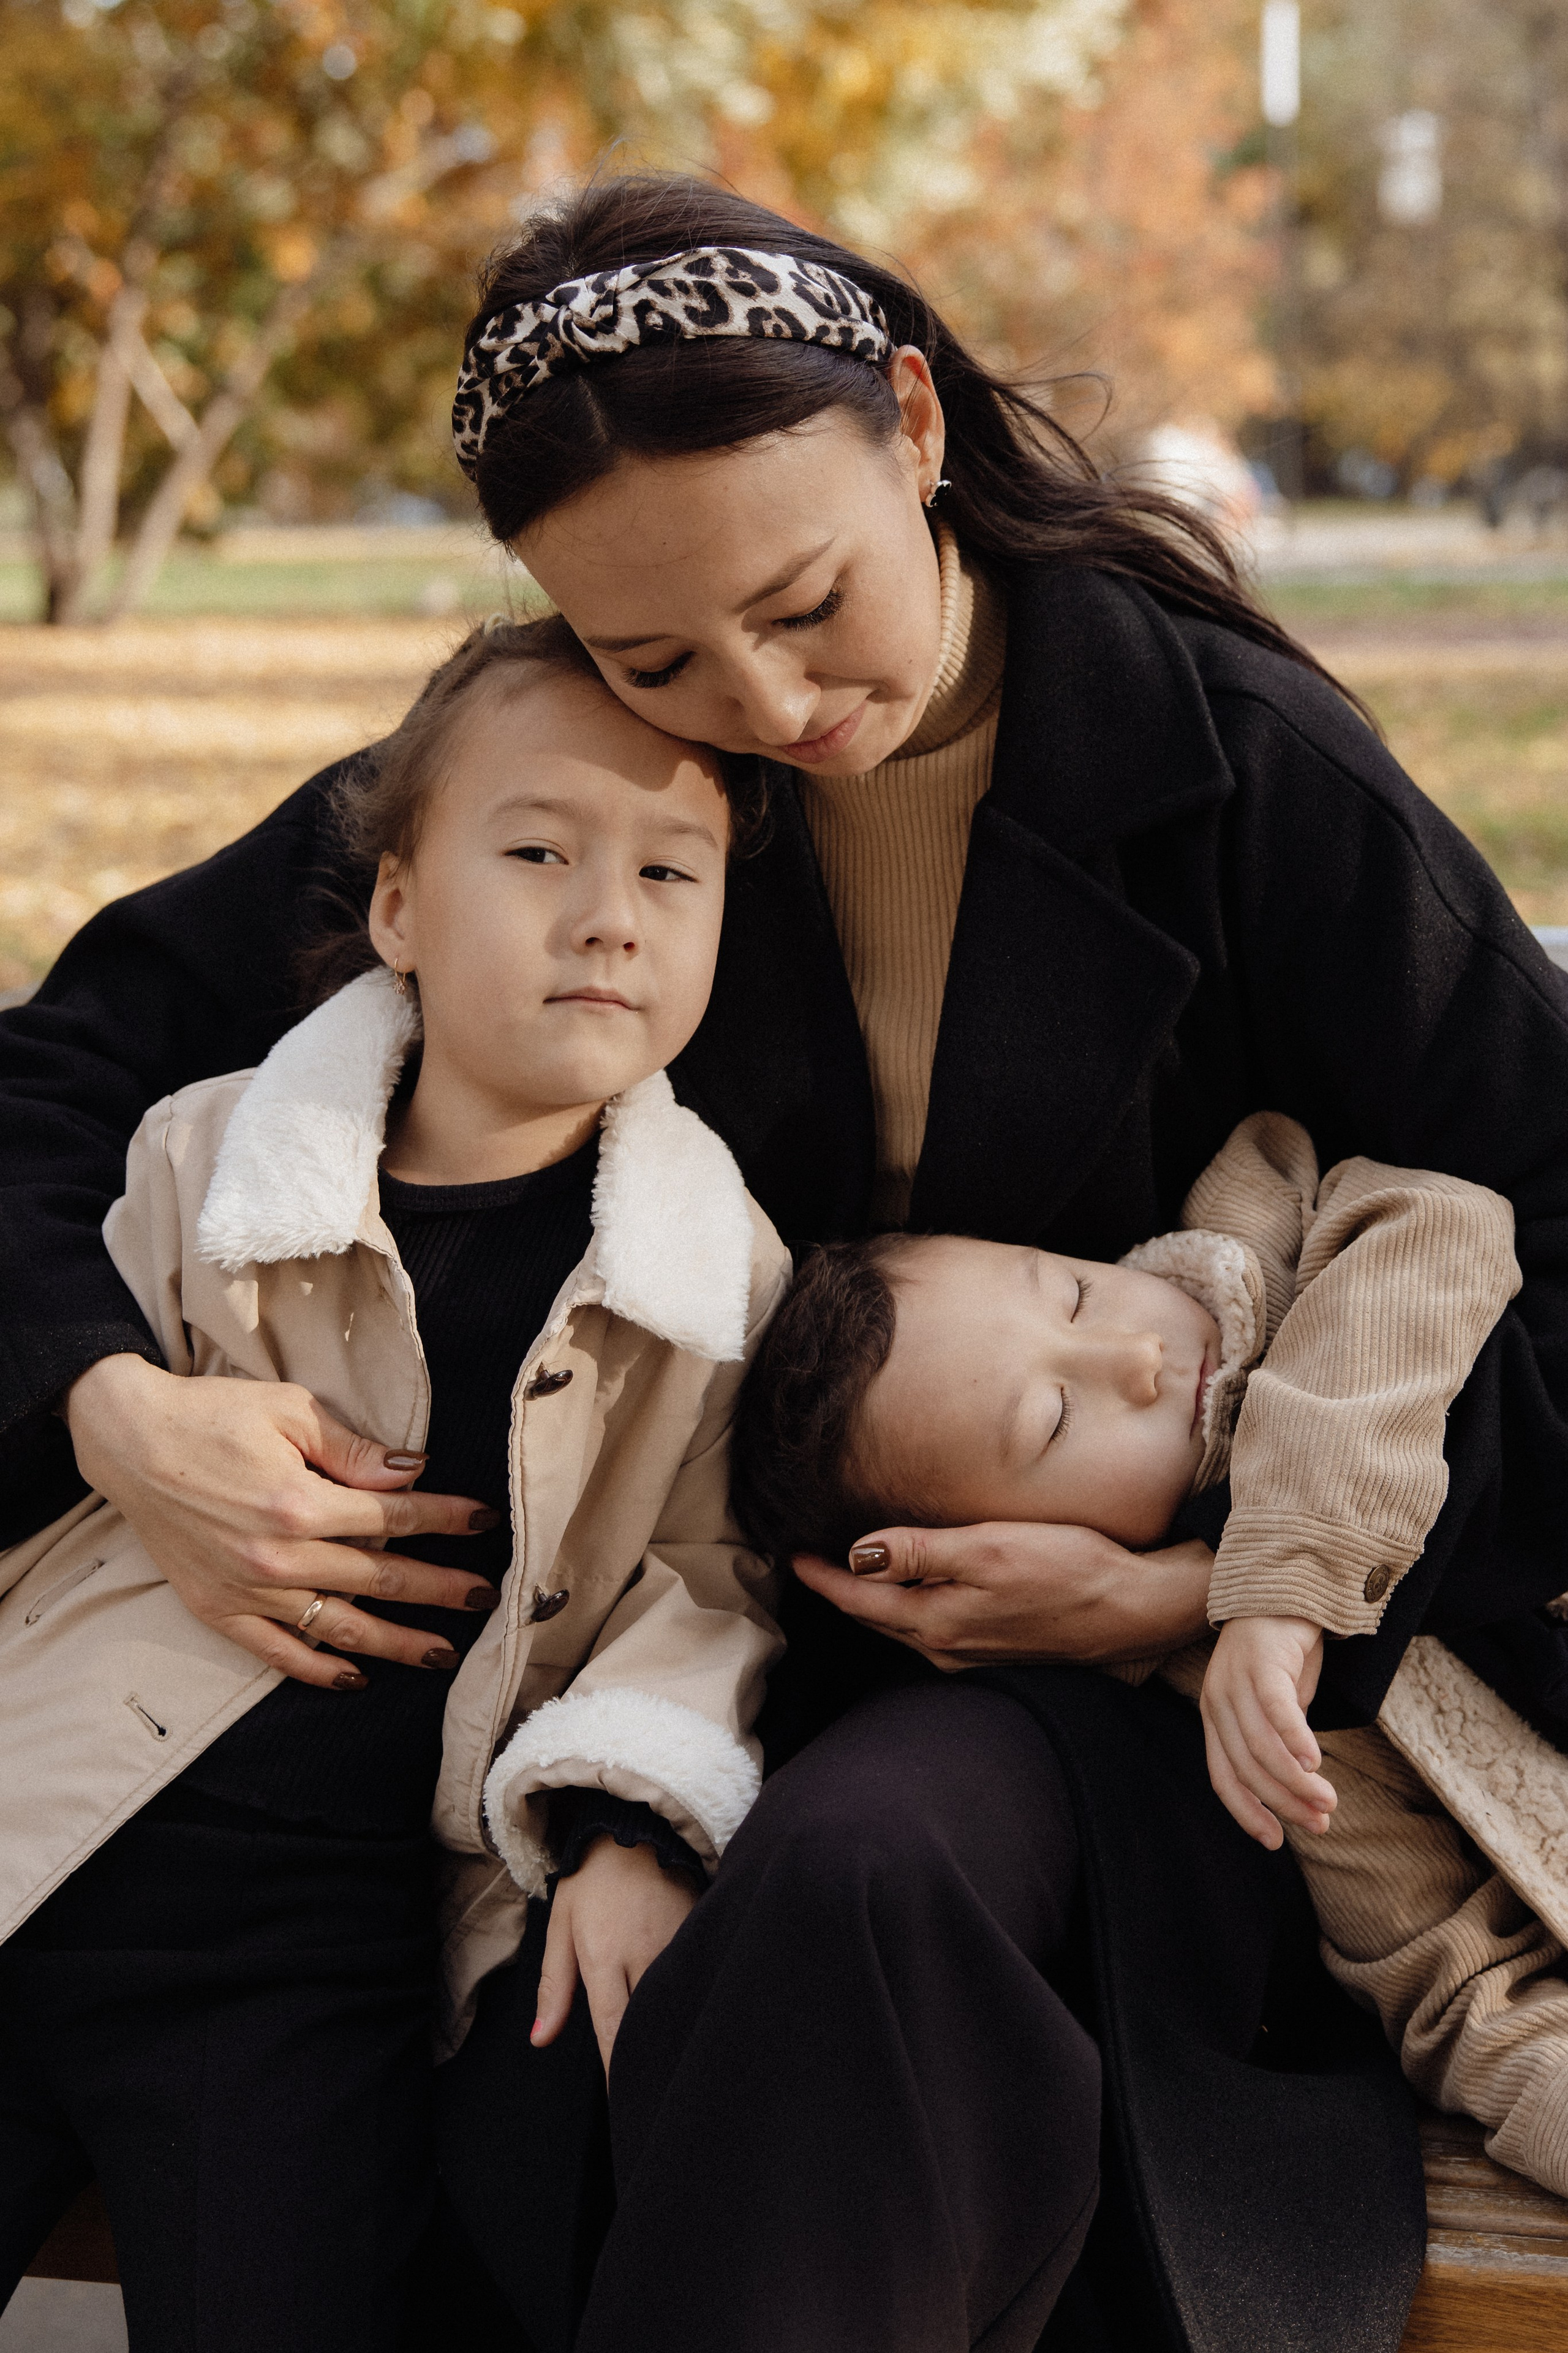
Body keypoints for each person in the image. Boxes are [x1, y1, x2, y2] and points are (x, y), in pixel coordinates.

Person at [7, 170, 1568, 2351]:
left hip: (1158, 1698)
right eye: (654, 653)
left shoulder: (1247, 781)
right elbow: (53, 1075)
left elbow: (1547, 1245)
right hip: (630, 1657)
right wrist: (120, 1404)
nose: (764, 702)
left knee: (851, 1889)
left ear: (915, 428)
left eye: (807, 601)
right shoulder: (586, 790)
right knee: (540, 2062)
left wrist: (1219, 1577)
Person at [0, 614, 791, 2348]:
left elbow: (707, 1580)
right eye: (537, 852)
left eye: (675, 870)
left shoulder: (711, 1271)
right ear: (398, 910)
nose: (609, 913)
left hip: (297, 1953)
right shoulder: (207, 1152)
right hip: (38, 1817)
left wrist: (626, 1820)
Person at [733, 1111, 1568, 2200]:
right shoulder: (1259, 1726)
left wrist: (1276, 1580)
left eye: (1072, 1291)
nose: (1135, 1354)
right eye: (1053, 1421)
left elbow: (1446, 1226)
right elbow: (1460, 1984)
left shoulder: (1276, 1226)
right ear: (993, 1555)